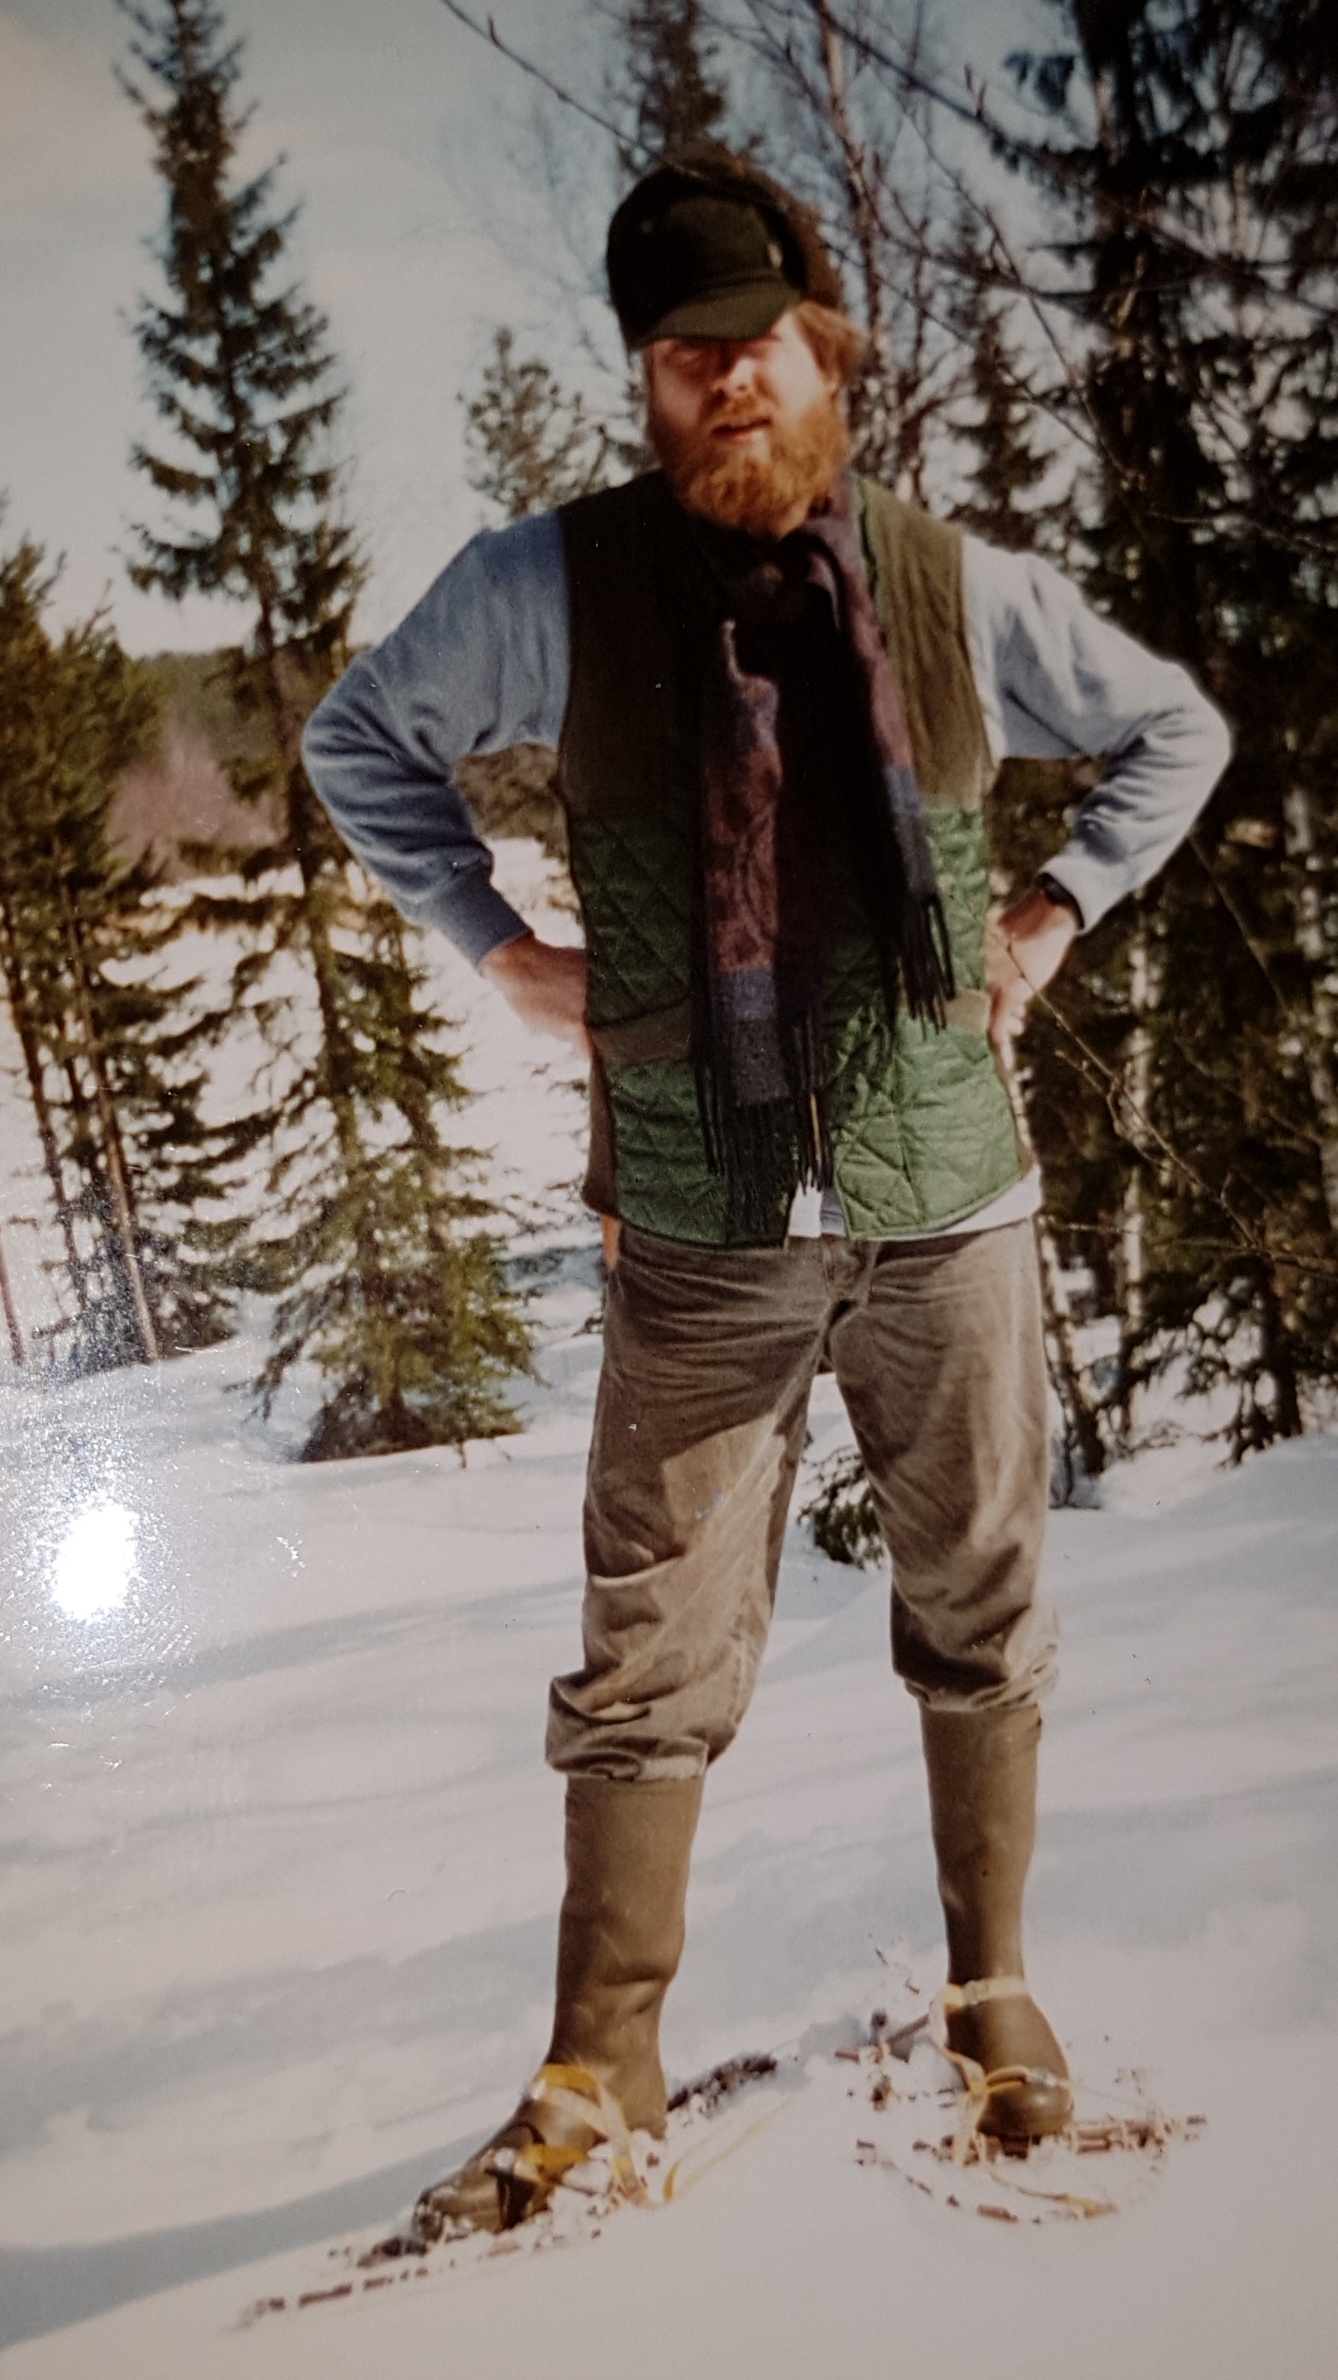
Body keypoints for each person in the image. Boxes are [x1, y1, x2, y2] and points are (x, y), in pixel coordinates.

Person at [303, 146, 1230, 2237]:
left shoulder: (953, 592)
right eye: (680, 355)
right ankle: (597, 2065)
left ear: (826, 352)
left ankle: (992, 1990)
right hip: (701, 1222)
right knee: (645, 1649)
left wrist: (1057, 907)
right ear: (648, 380)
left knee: (980, 1602)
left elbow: (1169, 733)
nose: (725, 383)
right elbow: (363, 745)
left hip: (949, 1198)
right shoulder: (549, 589)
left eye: (757, 346)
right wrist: (496, 944)